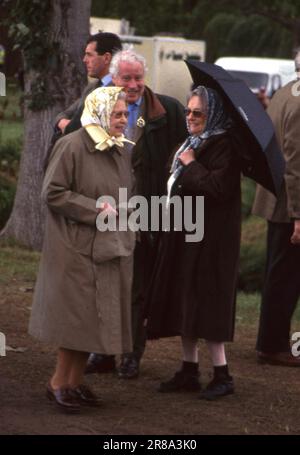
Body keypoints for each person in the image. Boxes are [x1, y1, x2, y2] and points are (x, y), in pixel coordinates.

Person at [29, 87, 136, 412]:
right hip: (75, 247)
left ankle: (74, 382)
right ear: (101, 113)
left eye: (124, 114)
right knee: (75, 318)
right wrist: (96, 209)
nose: (123, 120)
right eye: (117, 114)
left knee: (92, 318)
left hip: (106, 246)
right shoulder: (72, 145)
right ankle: (58, 382)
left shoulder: (117, 149)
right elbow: (53, 193)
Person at [85, 50, 187, 379]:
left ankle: (131, 354)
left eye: (138, 78)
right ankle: (101, 353)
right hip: (106, 211)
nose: (133, 84)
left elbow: (186, 150)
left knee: (137, 289)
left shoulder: (167, 110)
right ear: (113, 79)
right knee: (103, 285)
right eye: (126, 78)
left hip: (147, 213)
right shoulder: (98, 106)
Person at [145, 85, 241, 400]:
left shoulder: (223, 145)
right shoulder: (191, 143)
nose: (190, 117)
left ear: (211, 113)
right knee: (183, 297)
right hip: (183, 234)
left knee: (207, 303)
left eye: (197, 112)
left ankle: (222, 375)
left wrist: (189, 163)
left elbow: (217, 188)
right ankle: (189, 369)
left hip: (210, 241)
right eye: (188, 111)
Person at [252, 52, 300, 367]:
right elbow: (295, 160)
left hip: (278, 197)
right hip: (289, 202)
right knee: (286, 275)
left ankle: (272, 341)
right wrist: (298, 215)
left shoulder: (287, 91)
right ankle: (272, 345)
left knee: (280, 272)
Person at [55, 32, 122, 136]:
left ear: (107, 58)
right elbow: (64, 114)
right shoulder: (93, 86)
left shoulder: (118, 91)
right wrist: (63, 123)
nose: (84, 60)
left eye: (89, 55)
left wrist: (68, 127)